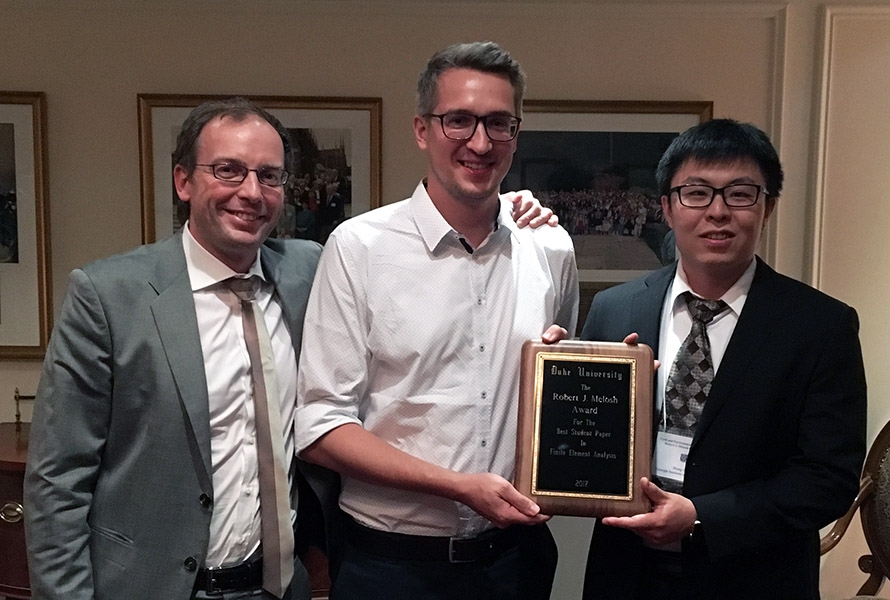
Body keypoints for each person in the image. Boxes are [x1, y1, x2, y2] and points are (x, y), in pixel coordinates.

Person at [294, 41, 579, 600]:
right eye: (460, 121)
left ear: (515, 134)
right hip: (391, 567)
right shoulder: (359, 247)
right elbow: (321, 427)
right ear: (422, 129)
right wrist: (459, 487)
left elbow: (556, 390)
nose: (480, 142)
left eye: (499, 123)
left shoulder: (550, 247)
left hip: (515, 563)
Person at [23, 97, 334, 600]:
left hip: (280, 589)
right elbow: (58, 481)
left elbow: (388, 261)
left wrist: (503, 211)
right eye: (228, 171)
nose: (251, 192)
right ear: (184, 181)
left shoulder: (308, 272)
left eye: (269, 176)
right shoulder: (108, 296)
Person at [580, 118, 867, 600]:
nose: (717, 212)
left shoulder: (821, 326)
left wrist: (701, 517)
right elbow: (586, 438)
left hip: (756, 577)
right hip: (626, 575)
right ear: (667, 208)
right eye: (696, 193)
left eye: (739, 194)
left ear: (767, 207)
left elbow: (828, 478)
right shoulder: (614, 310)